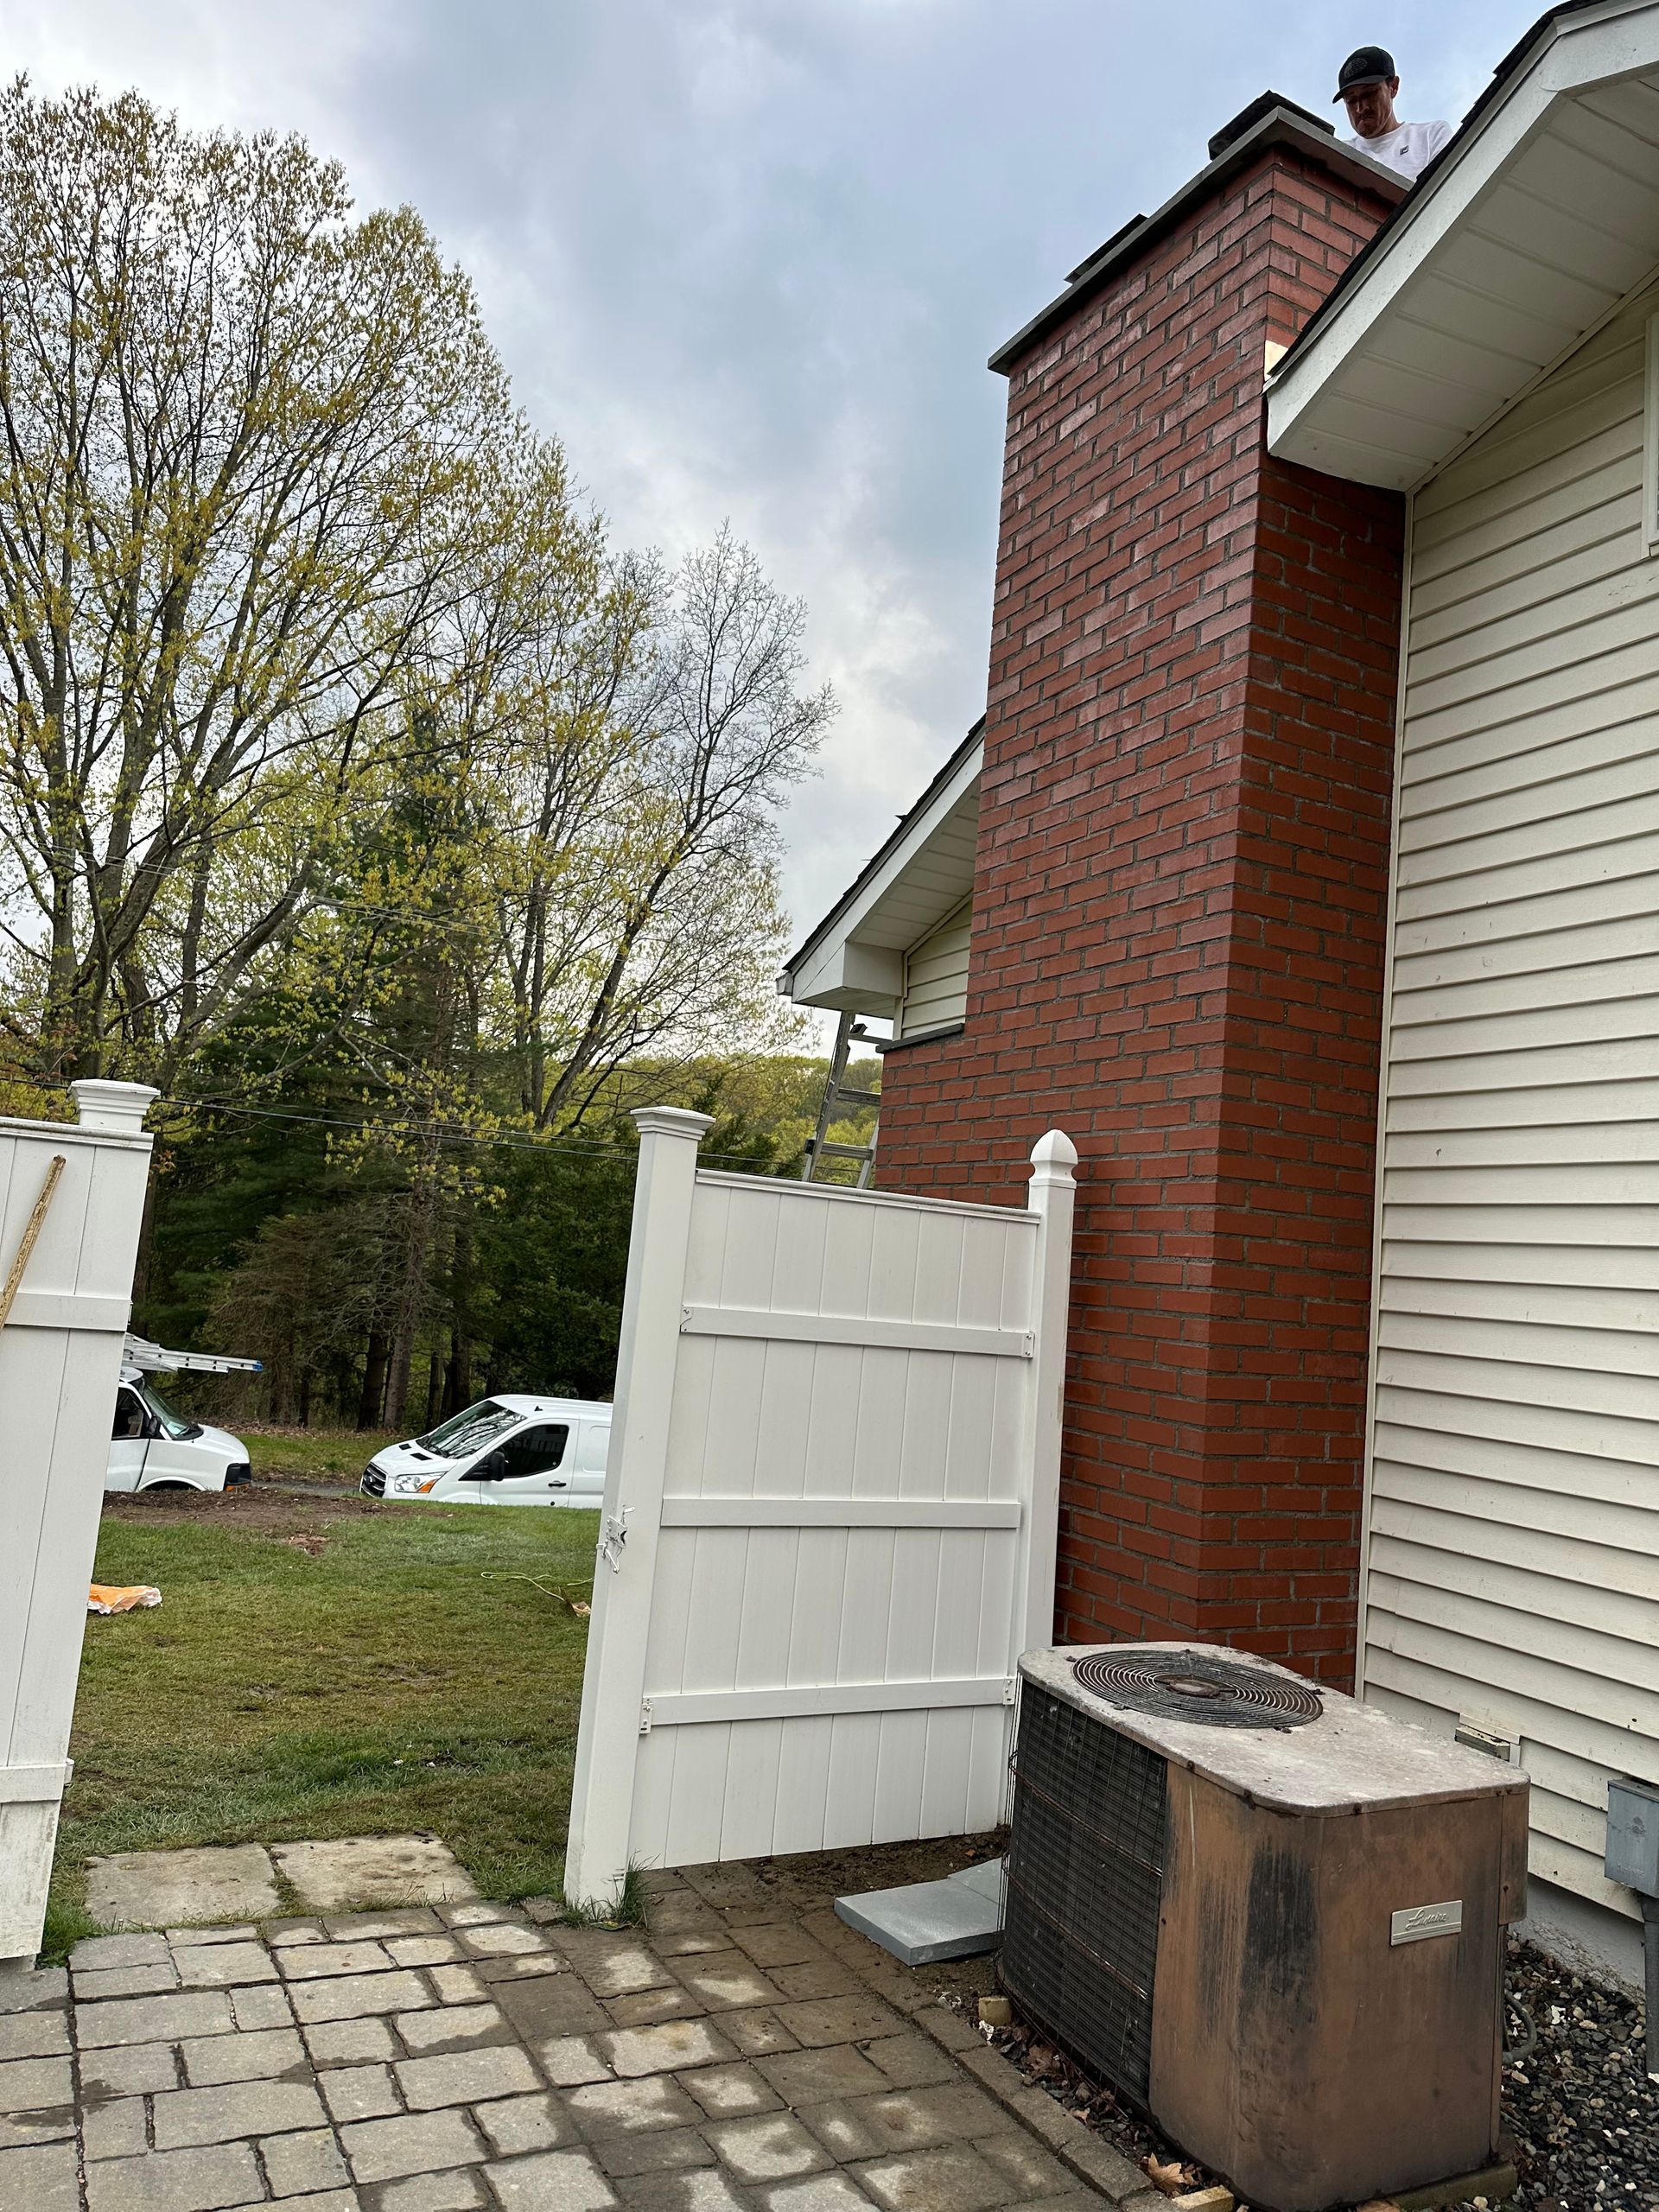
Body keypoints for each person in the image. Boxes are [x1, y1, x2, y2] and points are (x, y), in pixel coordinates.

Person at [1334, 46, 1452, 181]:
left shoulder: (1430, 136)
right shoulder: (1340, 153)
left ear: (1393, 87)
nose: (1360, 108)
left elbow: (1445, 195)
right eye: (1351, 100)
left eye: (1369, 93)